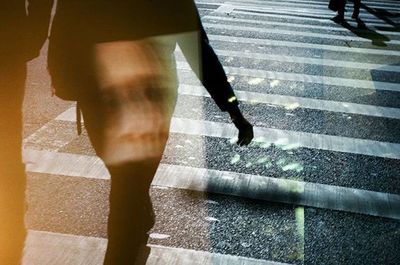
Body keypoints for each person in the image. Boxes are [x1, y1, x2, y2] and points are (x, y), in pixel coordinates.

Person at [47, 1, 253, 264]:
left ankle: (125, 240)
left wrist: (64, 78)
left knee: (125, 183)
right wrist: (232, 108)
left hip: (100, 93)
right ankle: (137, 213)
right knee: (129, 183)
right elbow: (198, 49)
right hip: (150, 94)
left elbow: (65, 22)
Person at [0, 1, 54, 264]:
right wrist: (34, 34)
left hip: (8, 43)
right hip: (7, 42)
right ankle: (10, 222)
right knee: (7, 135)